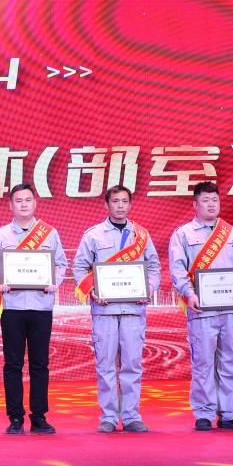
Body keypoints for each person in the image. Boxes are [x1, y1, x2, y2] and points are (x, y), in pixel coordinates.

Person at [168, 180, 233, 431]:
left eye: (215, 200)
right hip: (202, 310)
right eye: (205, 201)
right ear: (195, 205)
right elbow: (177, 269)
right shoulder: (183, 234)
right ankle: (204, 413)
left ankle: (229, 412)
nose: (211, 205)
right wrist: (189, 294)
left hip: (232, 309)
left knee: (230, 361)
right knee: (203, 363)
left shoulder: (232, 233)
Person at [72, 185, 161, 433]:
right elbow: (79, 267)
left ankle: (131, 416)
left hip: (134, 310)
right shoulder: (94, 235)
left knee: (132, 365)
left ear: (130, 205)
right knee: (106, 365)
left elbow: (154, 267)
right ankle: (109, 417)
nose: (120, 206)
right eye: (115, 201)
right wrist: (92, 290)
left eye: (124, 201)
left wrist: (148, 289)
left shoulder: (141, 235)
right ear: (106, 205)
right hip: (105, 311)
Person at [0, 183, 69, 435]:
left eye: (27, 200)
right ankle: (16, 417)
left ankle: (39, 416)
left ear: (35, 203)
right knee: (13, 363)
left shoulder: (49, 233)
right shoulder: (0, 235)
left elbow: (61, 263)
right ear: (10, 205)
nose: (23, 204)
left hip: (41, 306)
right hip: (12, 307)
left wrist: (54, 281)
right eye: (18, 200)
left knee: (40, 363)